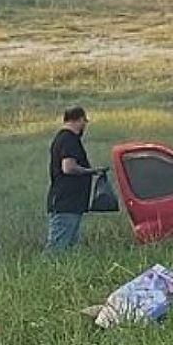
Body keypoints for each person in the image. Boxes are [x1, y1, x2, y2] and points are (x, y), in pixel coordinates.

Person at [46, 106, 103, 251]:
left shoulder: (63, 138)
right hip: (66, 201)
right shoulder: (68, 139)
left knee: (69, 245)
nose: (84, 126)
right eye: (84, 121)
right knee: (58, 247)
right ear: (79, 120)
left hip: (70, 201)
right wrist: (90, 171)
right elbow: (68, 167)